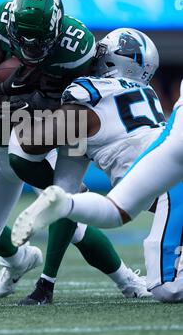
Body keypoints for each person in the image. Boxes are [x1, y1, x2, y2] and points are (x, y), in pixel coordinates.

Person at [0, 0, 149, 300]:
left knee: (69, 205)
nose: (30, 48)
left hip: (48, 130)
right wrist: (6, 87)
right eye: (23, 40)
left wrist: (33, 105)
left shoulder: (76, 48)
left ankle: (125, 280)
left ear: (57, 31)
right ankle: (19, 260)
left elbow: (76, 108)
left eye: (39, 40)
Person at [11, 28, 168, 303]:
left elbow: (30, 144)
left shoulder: (88, 94)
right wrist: (46, 284)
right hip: (163, 180)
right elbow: (65, 187)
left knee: (166, 287)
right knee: (70, 197)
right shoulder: (146, 92)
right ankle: (46, 285)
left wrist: (17, 111)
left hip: (154, 186)